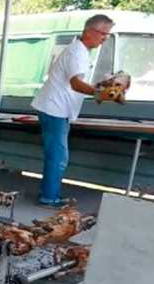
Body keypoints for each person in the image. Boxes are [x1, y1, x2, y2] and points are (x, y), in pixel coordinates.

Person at [30, 14, 116, 209]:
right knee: (58, 157)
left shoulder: (81, 51)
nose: (104, 38)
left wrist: (98, 90)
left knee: (57, 155)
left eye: (107, 35)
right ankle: (48, 198)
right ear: (89, 32)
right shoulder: (77, 52)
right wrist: (100, 93)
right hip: (54, 109)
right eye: (103, 34)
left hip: (58, 109)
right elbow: (76, 83)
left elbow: (76, 83)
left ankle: (50, 194)